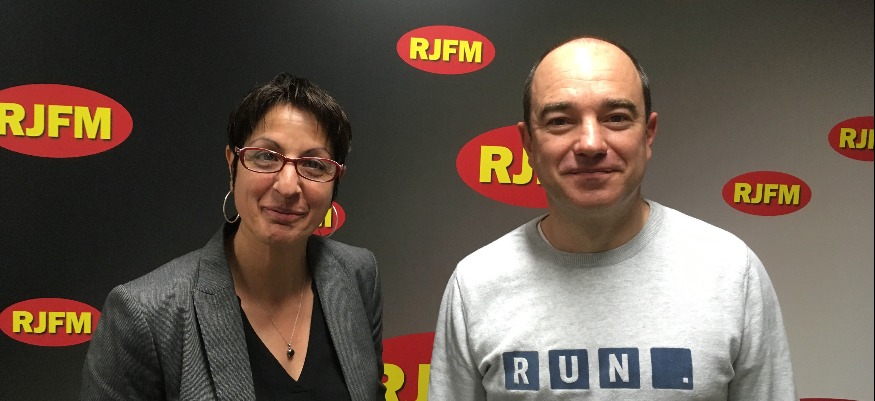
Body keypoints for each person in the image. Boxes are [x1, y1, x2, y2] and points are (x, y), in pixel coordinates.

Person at [428, 36, 797, 400]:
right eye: (560, 121)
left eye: (616, 118)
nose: (591, 144)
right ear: (528, 144)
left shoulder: (731, 273)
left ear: (648, 134)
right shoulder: (476, 285)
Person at [80, 73, 385, 400]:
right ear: (232, 165)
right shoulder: (145, 314)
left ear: (336, 180)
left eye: (313, 164)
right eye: (266, 156)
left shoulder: (357, 275)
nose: (287, 186)